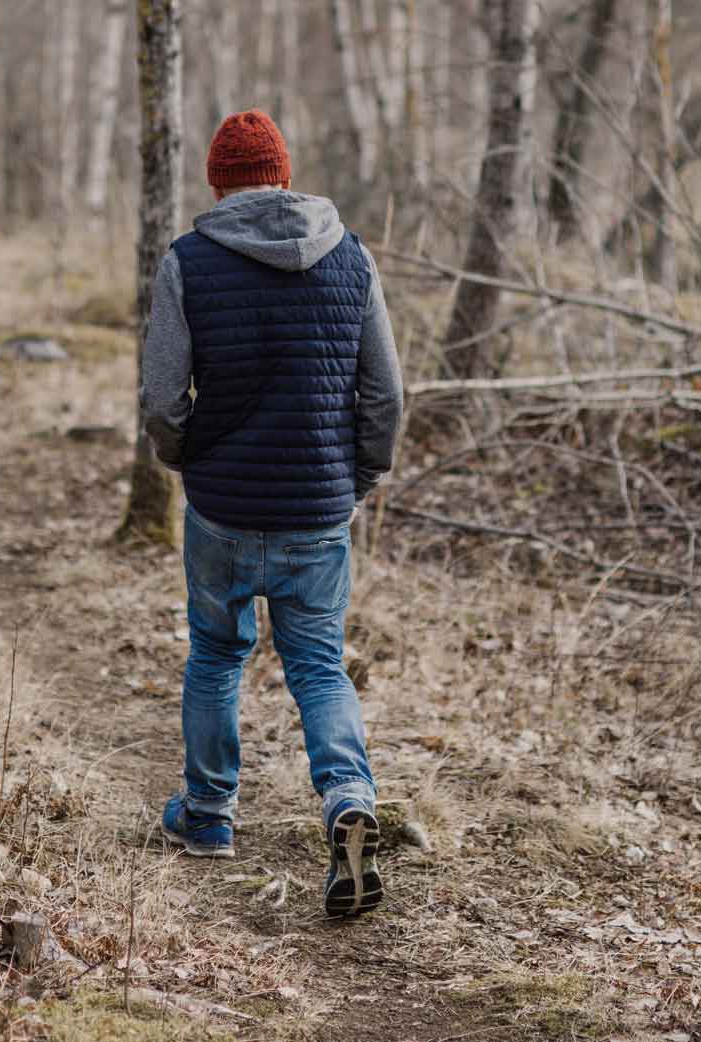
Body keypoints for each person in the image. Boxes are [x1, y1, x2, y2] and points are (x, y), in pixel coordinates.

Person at [138, 109, 402, 919]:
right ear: (284, 175)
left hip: (220, 507)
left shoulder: (189, 261)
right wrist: (355, 480)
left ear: (218, 182)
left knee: (216, 657)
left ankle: (210, 818)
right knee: (319, 667)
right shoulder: (351, 257)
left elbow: (160, 396)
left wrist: (184, 458)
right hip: (317, 513)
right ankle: (348, 797)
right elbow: (384, 396)